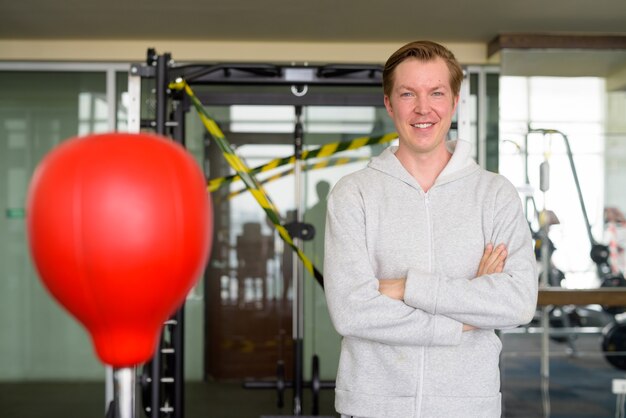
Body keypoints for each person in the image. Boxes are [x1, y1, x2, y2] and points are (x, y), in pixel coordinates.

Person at [323, 40, 538, 418]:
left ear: (454, 101)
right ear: (390, 103)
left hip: (469, 407)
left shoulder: (494, 194)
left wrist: (406, 287)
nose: (424, 108)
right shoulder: (353, 193)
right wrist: (466, 316)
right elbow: (351, 311)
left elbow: (517, 302)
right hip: (373, 406)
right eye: (408, 94)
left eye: (436, 92)